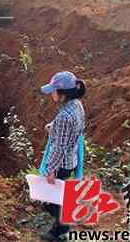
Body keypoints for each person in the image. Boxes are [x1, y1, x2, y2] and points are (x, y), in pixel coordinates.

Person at [39, 71, 86, 241]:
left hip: (62, 164)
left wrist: (51, 170)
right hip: (71, 159)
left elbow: (60, 147)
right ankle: (65, 219)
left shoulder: (65, 116)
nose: (51, 93)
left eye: (53, 90)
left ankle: (60, 231)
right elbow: (73, 129)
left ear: (62, 93)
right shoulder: (76, 105)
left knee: (52, 199)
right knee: (57, 196)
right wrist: (54, 126)